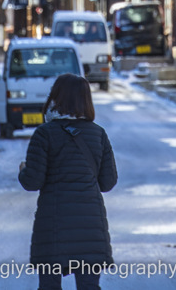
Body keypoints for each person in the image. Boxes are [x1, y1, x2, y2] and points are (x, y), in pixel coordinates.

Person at [19, 74, 118, 290]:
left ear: (56, 98)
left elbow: (32, 182)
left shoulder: (44, 134)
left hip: (54, 226)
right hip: (90, 227)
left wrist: (23, 170)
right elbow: (107, 183)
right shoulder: (99, 134)